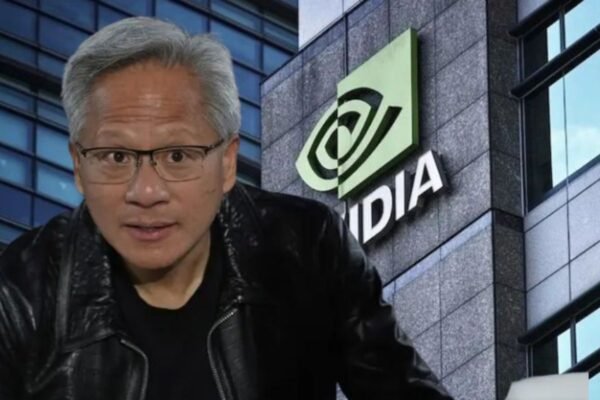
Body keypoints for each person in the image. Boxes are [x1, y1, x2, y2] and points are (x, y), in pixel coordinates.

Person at [0, 17, 453, 400]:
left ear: (227, 163)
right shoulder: (20, 295)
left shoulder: (305, 247)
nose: (146, 191)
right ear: (79, 166)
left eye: (178, 155)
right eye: (116, 157)